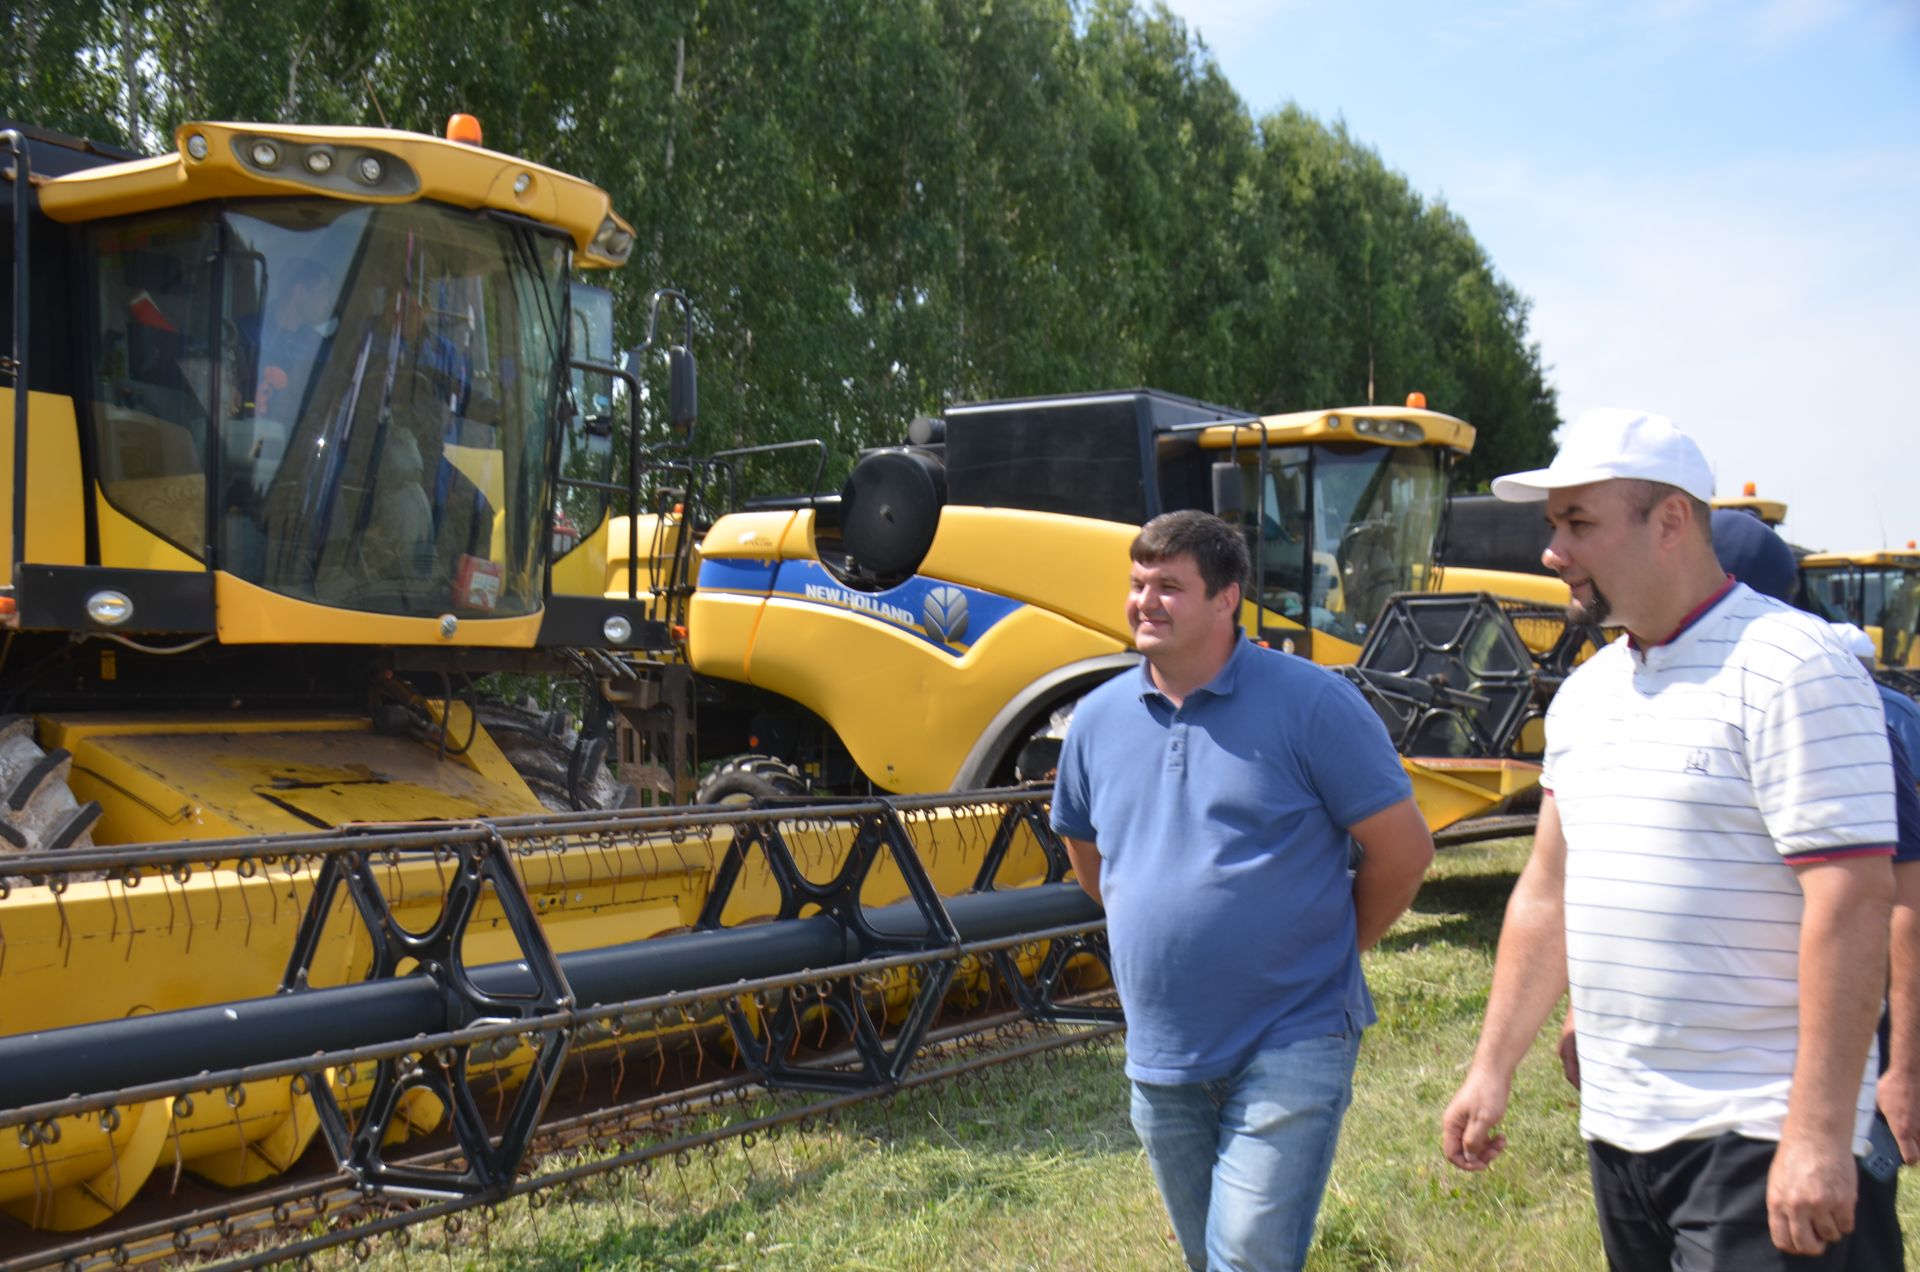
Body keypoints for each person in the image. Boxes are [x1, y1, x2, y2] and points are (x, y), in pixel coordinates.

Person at [1439, 408, 1897, 1268]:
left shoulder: (1792, 669)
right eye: (1553, 525)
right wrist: (1491, 1068)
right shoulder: (1586, 695)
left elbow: (1853, 900)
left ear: (1673, 521)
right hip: (1622, 1133)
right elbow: (1548, 891)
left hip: (1760, 1134)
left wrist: (1820, 1134)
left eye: (1580, 524)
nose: (1553, 551)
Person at [1051, 509, 1435, 1271]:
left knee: (1247, 1258)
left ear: (1227, 599)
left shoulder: (1311, 704)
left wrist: (1328, 948)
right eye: (1136, 584)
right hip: (1163, 1051)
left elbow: (1403, 850)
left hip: (1293, 1033)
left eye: (1169, 586)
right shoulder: (1095, 722)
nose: (1144, 602)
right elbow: (1092, 861)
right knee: (1212, 1260)